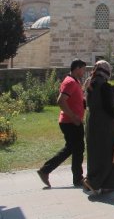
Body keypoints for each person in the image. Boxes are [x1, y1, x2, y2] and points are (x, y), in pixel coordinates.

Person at [37, 59, 87, 188]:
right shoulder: (69, 82)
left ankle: (45, 170)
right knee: (77, 149)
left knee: (72, 148)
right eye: (83, 69)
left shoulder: (75, 81)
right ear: (77, 68)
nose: (84, 72)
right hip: (70, 122)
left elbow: (77, 100)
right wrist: (74, 117)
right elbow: (61, 101)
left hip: (72, 121)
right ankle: (78, 179)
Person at [82, 60, 114, 195]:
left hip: (92, 124)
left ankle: (92, 179)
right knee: (109, 153)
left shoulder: (90, 84)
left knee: (95, 153)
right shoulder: (105, 86)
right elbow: (107, 107)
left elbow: (87, 104)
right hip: (106, 126)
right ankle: (101, 183)